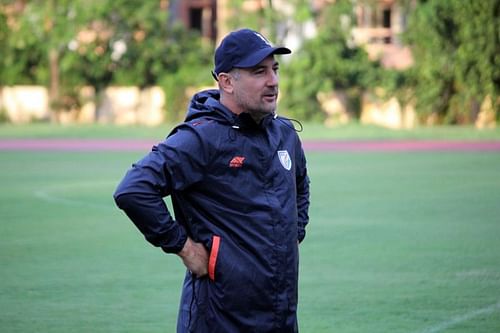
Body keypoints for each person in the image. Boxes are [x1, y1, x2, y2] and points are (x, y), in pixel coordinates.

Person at [113, 28, 310, 333]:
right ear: (226, 81)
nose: (273, 81)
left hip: (280, 313)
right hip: (218, 317)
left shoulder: (283, 134)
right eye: (259, 71)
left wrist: (292, 233)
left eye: (275, 69)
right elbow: (134, 189)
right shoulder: (202, 137)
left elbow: (299, 181)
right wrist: (183, 247)